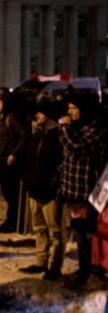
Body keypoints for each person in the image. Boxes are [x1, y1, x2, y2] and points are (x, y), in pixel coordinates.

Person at [58, 92, 108, 284]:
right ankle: (85, 269)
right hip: (73, 191)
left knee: (88, 233)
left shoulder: (95, 129)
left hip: (87, 192)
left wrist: (64, 128)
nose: (69, 113)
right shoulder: (79, 127)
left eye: (73, 108)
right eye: (68, 108)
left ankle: (91, 271)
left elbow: (76, 149)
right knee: (80, 231)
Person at [20, 99, 66, 279]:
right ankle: (41, 262)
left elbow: (60, 165)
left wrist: (53, 184)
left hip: (49, 193)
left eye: (39, 112)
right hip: (34, 190)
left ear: (48, 115)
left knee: (55, 232)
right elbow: (30, 159)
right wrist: (27, 179)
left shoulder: (58, 137)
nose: (36, 115)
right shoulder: (38, 134)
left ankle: (54, 266)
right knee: (39, 228)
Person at [0, 92, 30, 232]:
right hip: (2, 160)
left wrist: (14, 154)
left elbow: (24, 135)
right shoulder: (3, 118)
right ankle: (11, 219)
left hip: (9, 162)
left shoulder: (12, 118)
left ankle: (12, 222)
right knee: (7, 193)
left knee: (11, 193)